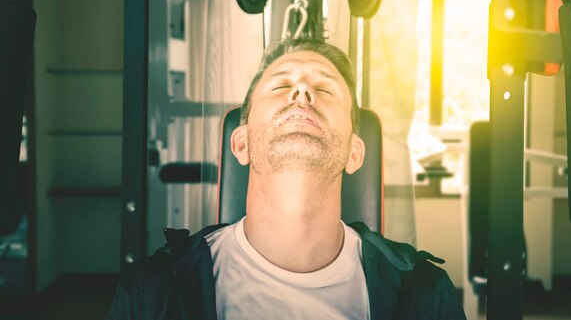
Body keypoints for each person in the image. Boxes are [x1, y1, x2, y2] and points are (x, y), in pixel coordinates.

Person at [107, 38, 466, 320]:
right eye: (280, 86)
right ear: (241, 142)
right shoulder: (153, 291)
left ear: (355, 154)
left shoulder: (423, 293)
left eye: (324, 90)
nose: (301, 93)